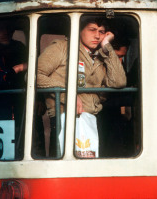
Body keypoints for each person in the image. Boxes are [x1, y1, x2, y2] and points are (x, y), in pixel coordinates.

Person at [37, 17, 127, 156]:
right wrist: (68, 95)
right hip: (63, 118)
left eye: (101, 32)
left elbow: (119, 82)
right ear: (80, 30)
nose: (97, 35)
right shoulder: (61, 48)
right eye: (92, 30)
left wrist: (106, 45)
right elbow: (35, 76)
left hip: (92, 119)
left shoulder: (102, 55)